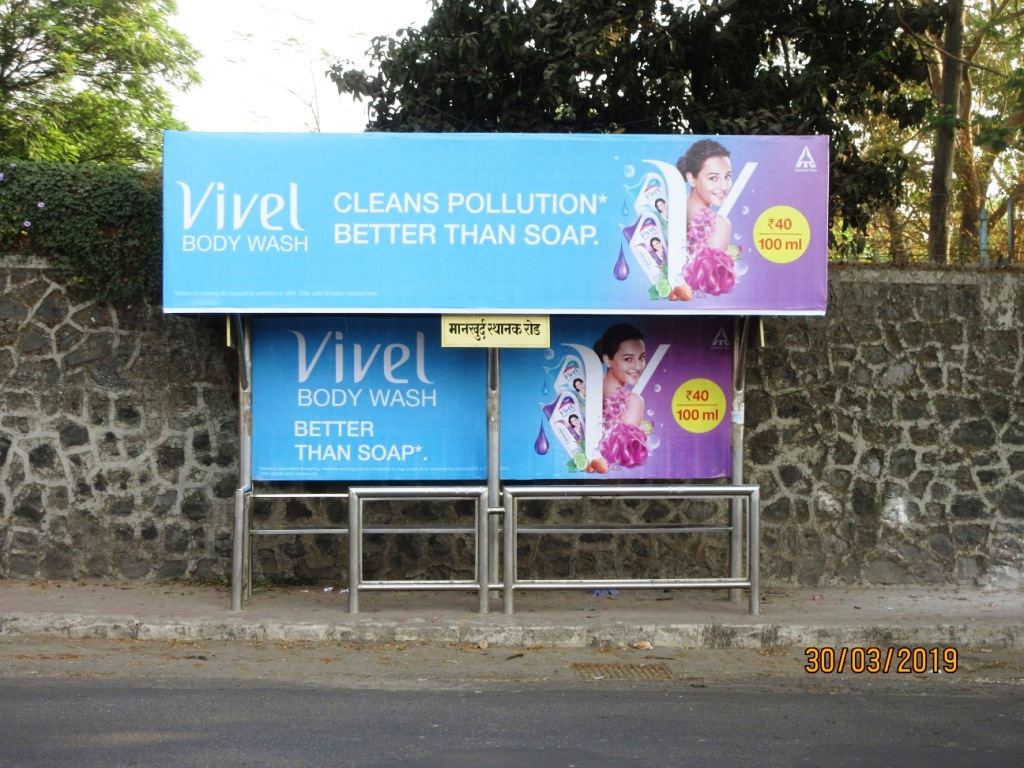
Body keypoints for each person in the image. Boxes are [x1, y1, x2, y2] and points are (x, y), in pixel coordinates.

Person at [676, 139, 737, 296]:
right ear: (691, 178)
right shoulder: (720, 224)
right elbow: (712, 286)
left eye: (727, 176)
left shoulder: (670, 209)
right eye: (713, 178)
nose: (724, 186)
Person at [593, 323, 649, 468]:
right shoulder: (634, 402)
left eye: (641, 357)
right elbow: (625, 458)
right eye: (628, 359)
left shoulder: (589, 387)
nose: (638, 366)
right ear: (607, 359)